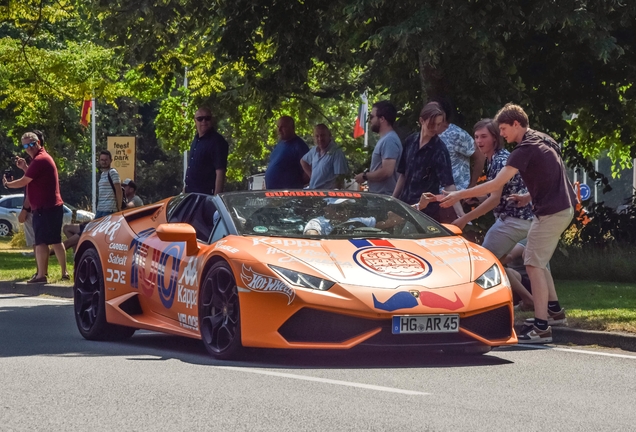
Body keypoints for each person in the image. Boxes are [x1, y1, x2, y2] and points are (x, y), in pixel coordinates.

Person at [441, 103, 576, 344]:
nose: (501, 134)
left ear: (516, 124)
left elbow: (495, 187)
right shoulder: (544, 140)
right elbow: (554, 176)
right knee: (538, 262)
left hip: (551, 212)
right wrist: (528, 196)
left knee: (533, 264)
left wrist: (458, 195)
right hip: (556, 208)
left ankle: (541, 328)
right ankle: (554, 313)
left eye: (503, 128)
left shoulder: (522, 150)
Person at [451, 119, 533, 259]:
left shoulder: (499, 161)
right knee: (501, 262)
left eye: (484, 136)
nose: (479, 141)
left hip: (514, 220)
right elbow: (500, 195)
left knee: (484, 260)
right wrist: (478, 198)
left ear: (495, 138)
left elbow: (494, 200)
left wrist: (465, 219)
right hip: (521, 219)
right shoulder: (495, 159)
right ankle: (517, 280)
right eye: (476, 137)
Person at [2, 132, 68, 283]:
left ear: (38, 142)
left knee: (41, 243)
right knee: (53, 241)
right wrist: (25, 167)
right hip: (51, 206)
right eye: (26, 145)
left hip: (45, 207)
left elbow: (24, 181)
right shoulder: (40, 159)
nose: (29, 148)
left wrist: (7, 184)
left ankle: (41, 275)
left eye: (32, 144)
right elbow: (34, 179)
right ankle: (62, 273)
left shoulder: (39, 160)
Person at [392, 102, 463, 223]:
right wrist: (392, 199)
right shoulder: (410, 141)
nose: (435, 128)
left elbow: (448, 184)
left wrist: (461, 214)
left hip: (426, 213)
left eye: (439, 124)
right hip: (404, 207)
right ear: (421, 120)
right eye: (432, 124)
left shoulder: (439, 149)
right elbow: (403, 174)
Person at [435, 98, 486, 190]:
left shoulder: (456, 134)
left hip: (457, 193)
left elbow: (480, 156)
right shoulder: (428, 135)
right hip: (433, 194)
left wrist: (471, 186)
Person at [354, 101, 402, 195]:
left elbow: (387, 171)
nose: (370, 120)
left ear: (382, 119)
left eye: (372, 117)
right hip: (381, 197)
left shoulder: (389, 140)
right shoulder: (386, 139)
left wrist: (365, 176)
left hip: (385, 198)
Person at [184, 107, 229, 195]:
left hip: (205, 195)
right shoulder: (196, 140)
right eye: (200, 119)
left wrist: (216, 198)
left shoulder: (217, 141)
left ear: (212, 120)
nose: (204, 121)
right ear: (195, 121)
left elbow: (220, 171)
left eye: (207, 118)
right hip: (190, 194)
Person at [264, 116, 310, 189]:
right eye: (278, 126)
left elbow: (308, 172)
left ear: (292, 127)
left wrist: (295, 184)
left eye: (283, 127)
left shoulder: (299, 146)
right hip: (272, 194)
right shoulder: (279, 144)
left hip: (288, 196)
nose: (279, 130)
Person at [300, 124, 349, 189]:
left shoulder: (336, 152)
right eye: (317, 136)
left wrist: (334, 196)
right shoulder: (314, 150)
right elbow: (303, 161)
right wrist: (312, 176)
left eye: (322, 135)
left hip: (327, 196)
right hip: (313, 193)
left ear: (329, 135)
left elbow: (340, 179)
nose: (320, 139)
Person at [96, 150, 123, 218]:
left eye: (106, 160)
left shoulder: (112, 172)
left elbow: (119, 191)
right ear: (99, 161)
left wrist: (119, 208)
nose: (104, 162)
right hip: (100, 209)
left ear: (111, 160)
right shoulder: (102, 174)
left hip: (109, 209)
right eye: (102, 160)